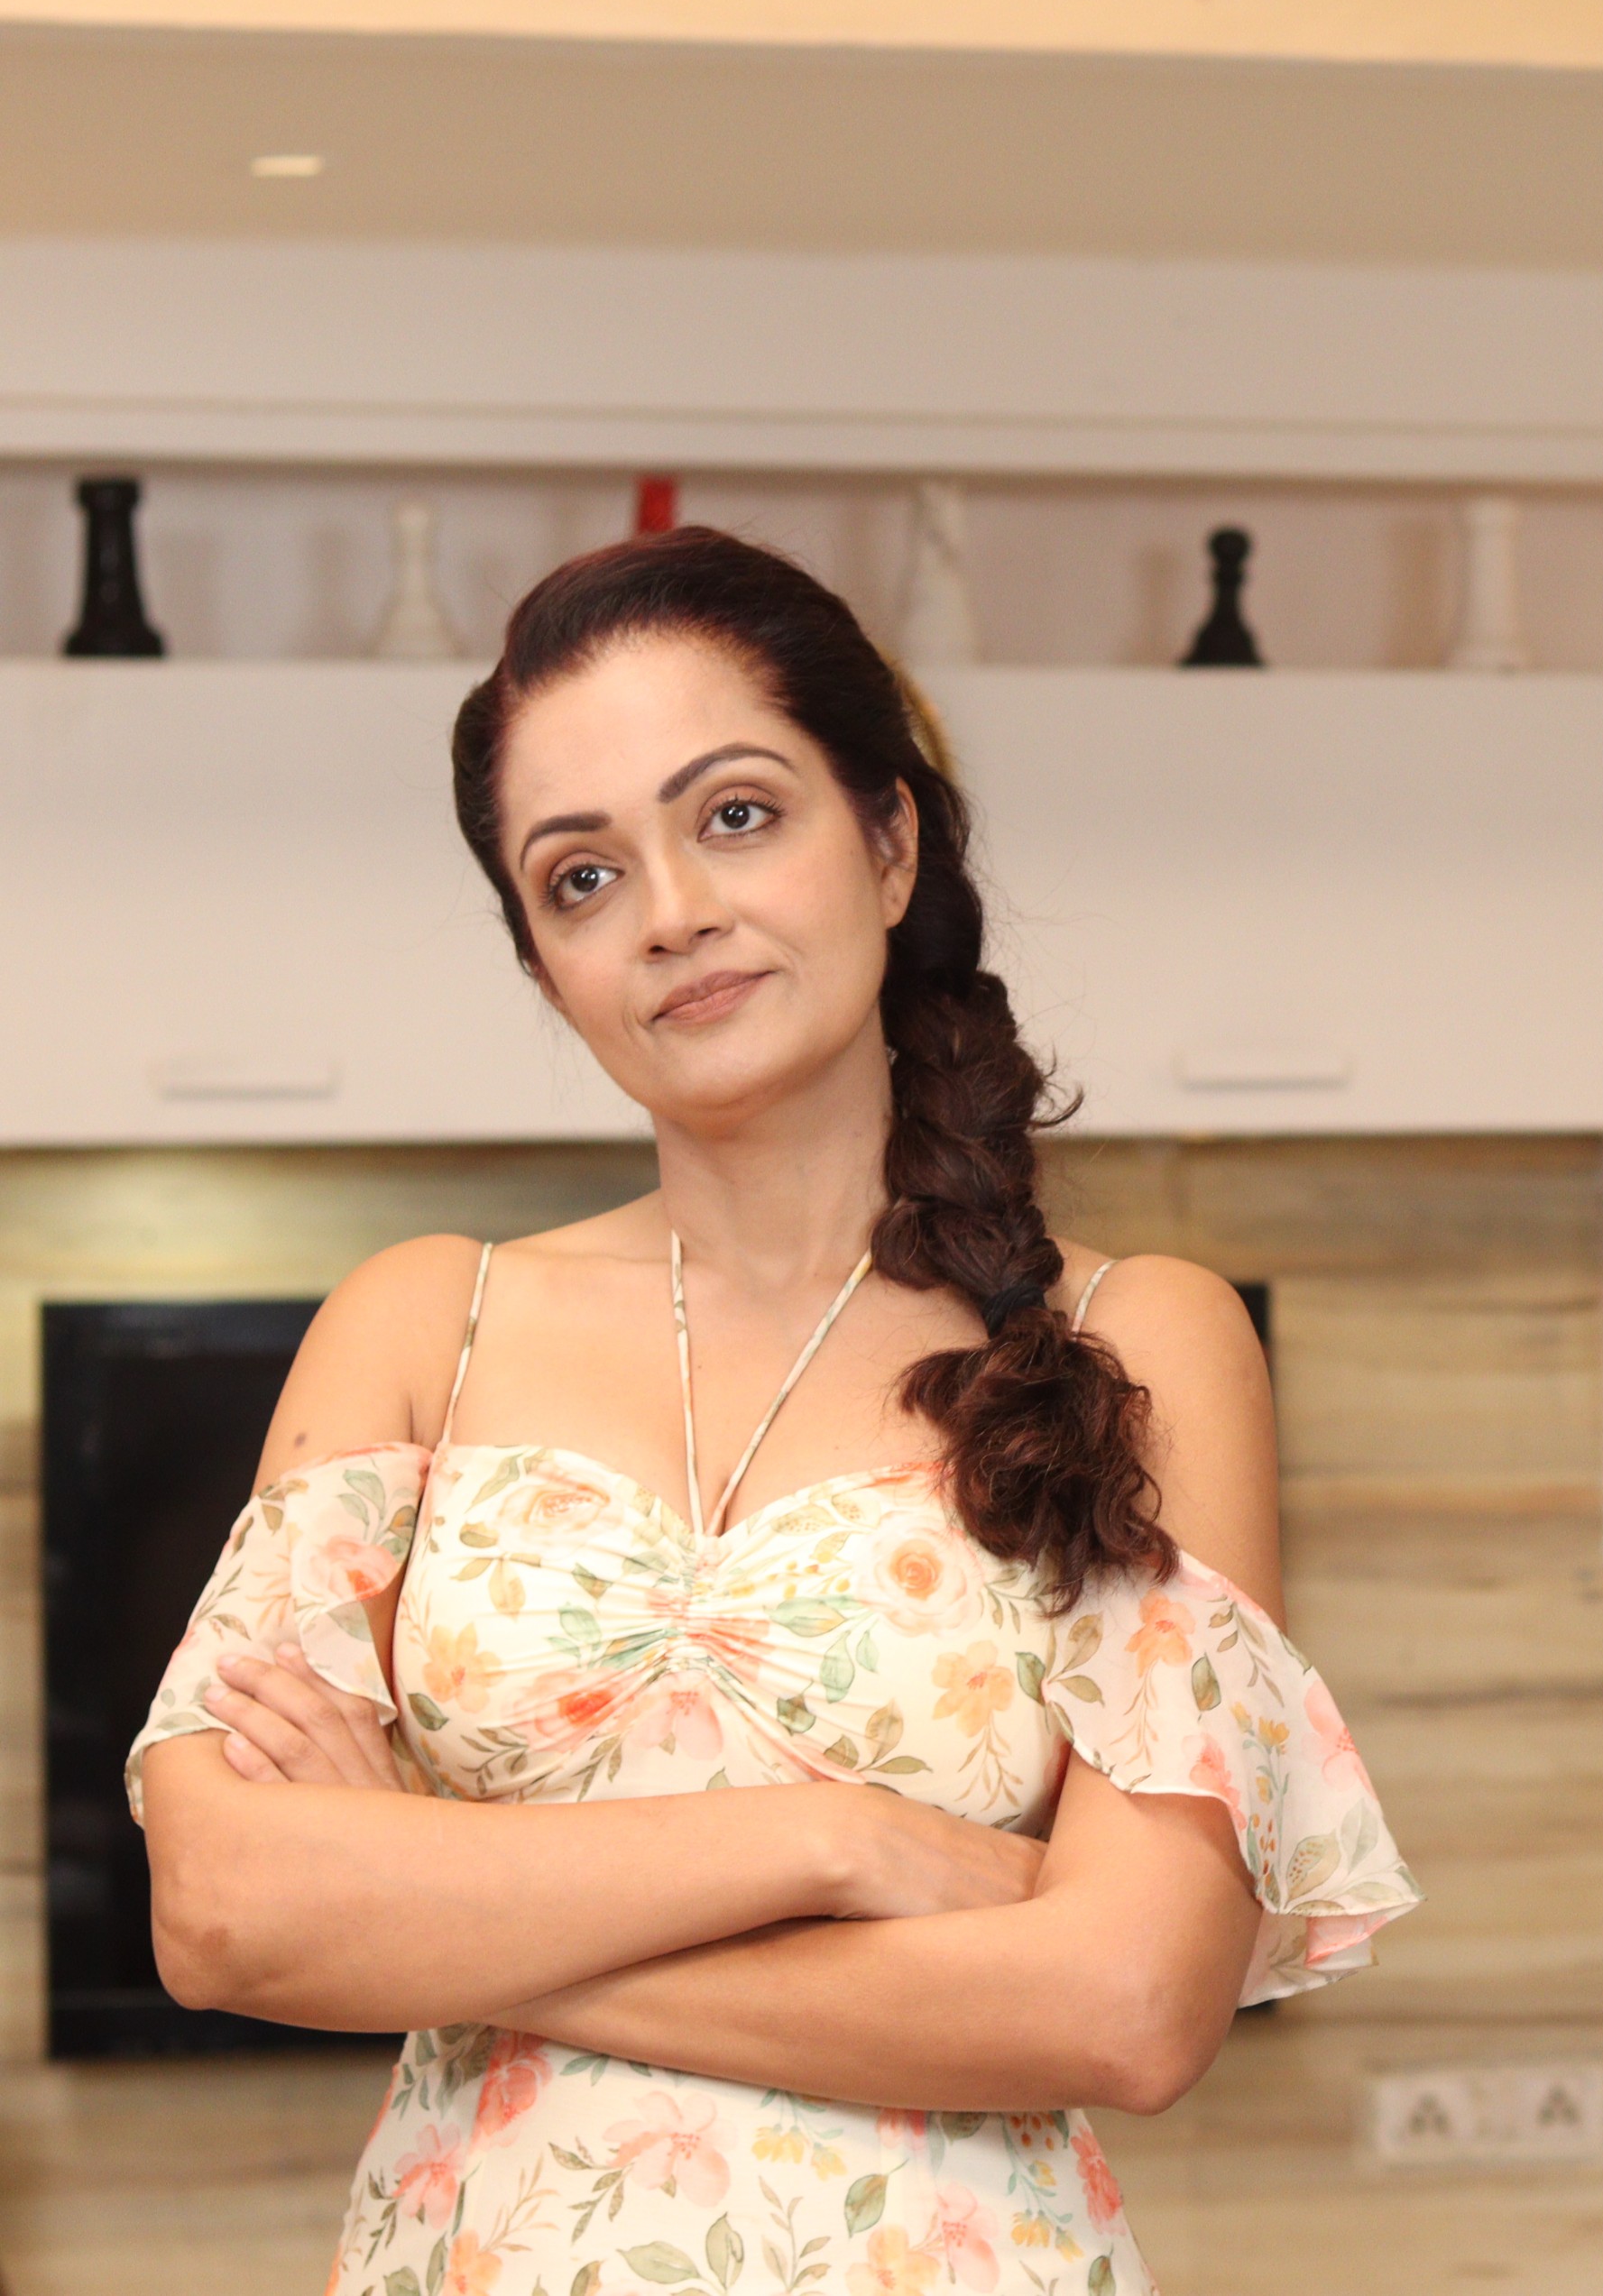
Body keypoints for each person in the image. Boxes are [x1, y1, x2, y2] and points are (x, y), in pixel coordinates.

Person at [130, 528, 1417, 2294]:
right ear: (542, 964)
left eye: (735, 814)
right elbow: (222, 1911)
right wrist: (844, 1845)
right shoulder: (425, 1321)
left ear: (889, 843)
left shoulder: (1139, 1340)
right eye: (581, 876)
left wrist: (440, 1907)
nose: (669, 912)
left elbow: (1126, 2005)